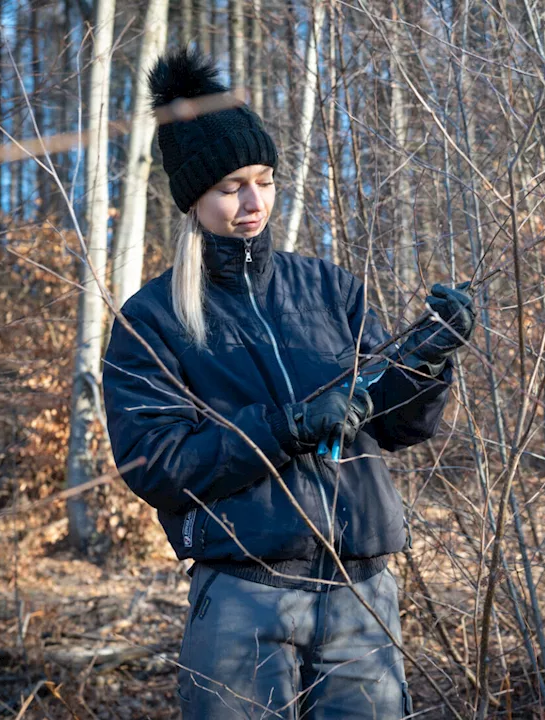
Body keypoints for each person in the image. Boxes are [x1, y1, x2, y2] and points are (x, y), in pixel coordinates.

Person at [100, 47, 474, 720]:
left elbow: (395, 424)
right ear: (193, 197)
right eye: (230, 186)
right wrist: (284, 426)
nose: (253, 202)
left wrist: (428, 359)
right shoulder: (152, 320)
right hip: (245, 599)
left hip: (363, 599)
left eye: (265, 180)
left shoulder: (329, 290)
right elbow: (154, 464)